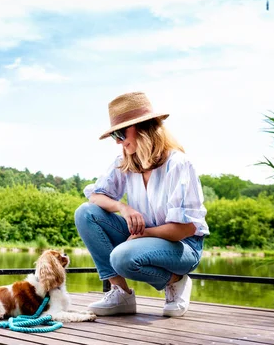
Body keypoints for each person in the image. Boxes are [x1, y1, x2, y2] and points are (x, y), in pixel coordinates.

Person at [74, 91, 209, 318]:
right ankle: (121, 294)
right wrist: (123, 208)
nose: (117, 141)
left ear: (142, 127)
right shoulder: (125, 161)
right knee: (85, 213)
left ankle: (176, 280)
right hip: (141, 238)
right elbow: (95, 197)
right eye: (114, 135)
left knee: (122, 257)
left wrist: (143, 234)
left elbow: (185, 229)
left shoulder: (178, 164)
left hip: (183, 246)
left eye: (120, 133)